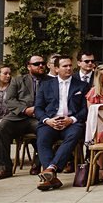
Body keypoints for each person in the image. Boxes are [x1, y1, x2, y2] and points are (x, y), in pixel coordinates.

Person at [31, 55, 88, 190]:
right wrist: (47, 120)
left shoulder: (82, 85)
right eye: (65, 66)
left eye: (70, 65)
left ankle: (50, 169)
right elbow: (38, 108)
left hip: (72, 122)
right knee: (42, 138)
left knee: (74, 134)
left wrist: (72, 119)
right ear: (56, 69)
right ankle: (52, 176)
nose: (69, 68)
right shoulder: (45, 85)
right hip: (51, 121)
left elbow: (85, 109)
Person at [0, 55, 48, 179]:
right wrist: (25, 109)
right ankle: (4, 168)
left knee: (45, 129)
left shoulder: (50, 81)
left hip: (40, 117)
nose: (41, 66)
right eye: (37, 64)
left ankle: (37, 164)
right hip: (19, 116)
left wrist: (39, 110)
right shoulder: (17, 80)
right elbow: (9, 100)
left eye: (42, 63)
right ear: (29, 67)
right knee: (1, 127)